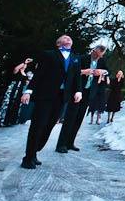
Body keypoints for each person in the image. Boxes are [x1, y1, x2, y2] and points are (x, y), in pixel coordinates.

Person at [19, 35, 82, 169]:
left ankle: (35, 151)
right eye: (65, 37)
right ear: (58, 43)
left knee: (49, 126)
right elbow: (39, 73)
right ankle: (28, 158)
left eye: (70, 38)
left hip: (62, 97)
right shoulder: (49, 55)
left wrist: (78, 91)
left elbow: (76, 77)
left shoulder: (75, 58)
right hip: (45, 95)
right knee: (37, 125)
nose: (68, 38)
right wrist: (28, 91)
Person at [57, 44, 107, 152]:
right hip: (77, 91)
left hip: (89, 93)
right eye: (97, 54)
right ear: (93, 51)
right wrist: (84, 72)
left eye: (101, 56)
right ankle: (61, 144)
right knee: (70, 117)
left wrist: (102, 72)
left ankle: (70, 143)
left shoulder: (101, 62)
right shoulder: (81, 58)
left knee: (79, 118)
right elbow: (71, 72)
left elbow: (108, 71)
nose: (98, 57)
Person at [0, 57, 32, 127]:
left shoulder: (25, 73)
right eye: (24, 64)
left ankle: (10, 121)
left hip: (19, 90)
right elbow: (16, 69)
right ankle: (1, 120)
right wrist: (25, 62)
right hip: (12, 88)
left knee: (15, 104)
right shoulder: (17, 71)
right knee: (7, 103)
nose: (26, 65)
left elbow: (26, 82)